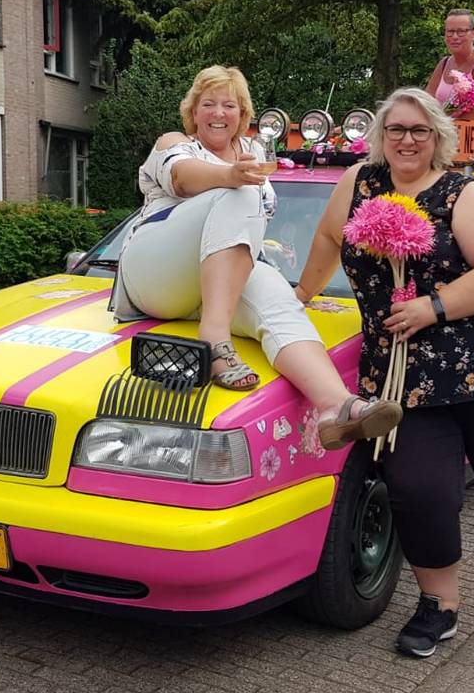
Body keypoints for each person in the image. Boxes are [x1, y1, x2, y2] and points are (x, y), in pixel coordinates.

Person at [294, 88, 474, 674]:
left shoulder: (460, 193)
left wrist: (433, 307)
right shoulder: (360, 184)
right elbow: (325, 240)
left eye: (419, 130)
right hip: (403, 380)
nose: (407, 140)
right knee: (418, 493)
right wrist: (296, 300)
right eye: (397, 129)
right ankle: (439, 604)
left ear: (438, 135)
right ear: (381, 135)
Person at [112, 65, 401, 448]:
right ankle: (215, 339)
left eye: (228, 105)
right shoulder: (174, 143)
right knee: (241, 192)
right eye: (208, 104)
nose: (218, 113)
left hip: (216, 284)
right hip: (155, 274)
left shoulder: (252, 153)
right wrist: (231, 175)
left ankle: (337, 408)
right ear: (192, 112)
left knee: (280, 303)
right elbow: (181, 176)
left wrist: (301, 288)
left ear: (242, 115)